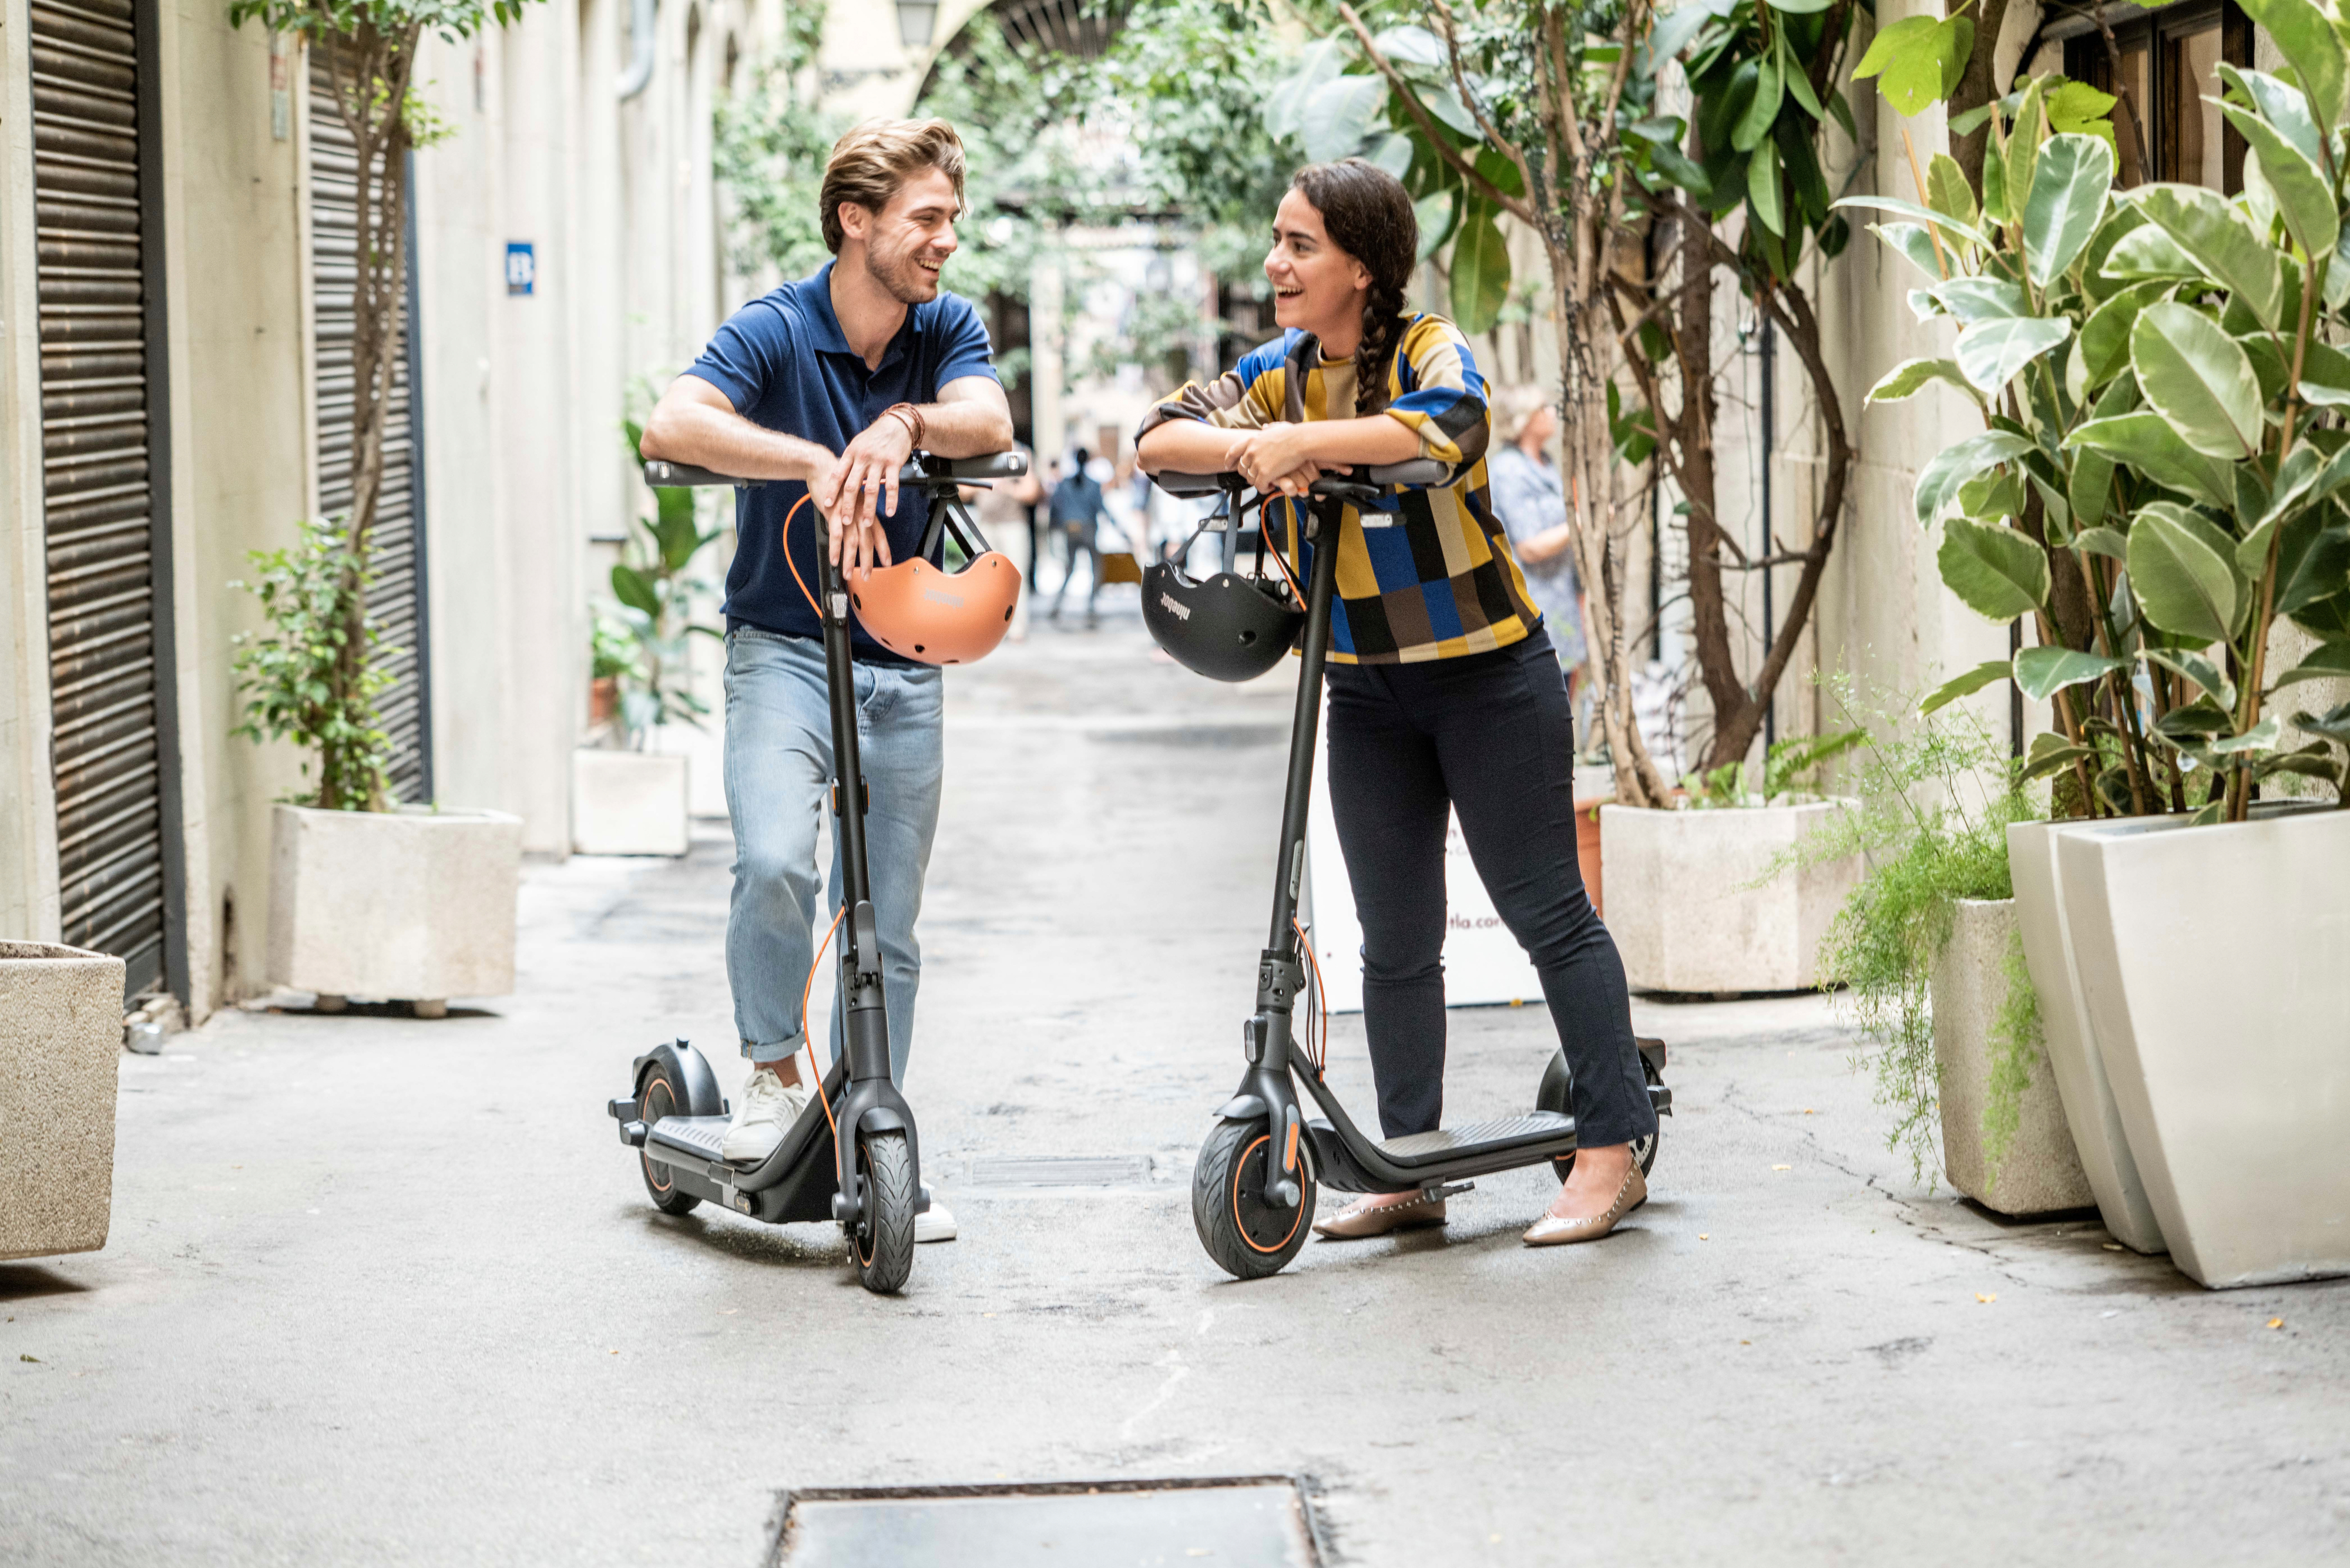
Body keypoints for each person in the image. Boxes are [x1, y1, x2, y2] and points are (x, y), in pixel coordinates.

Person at [1135, 158, 1658, 1247]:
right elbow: (1157, 441)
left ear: (1361, 268)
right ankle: (1409, 1163)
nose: (1276, 264)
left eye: (1300, 245)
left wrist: (1304, 446)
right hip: (1365, 690)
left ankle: (1609, 1152)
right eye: (1277, 242)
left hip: (1490, 678)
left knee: (1545, 912)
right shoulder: (1276, 373)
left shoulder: (1423, 347)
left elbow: (1448, 426)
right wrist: (1250, 446)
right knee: (1395, 936)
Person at [638, 118, 1014, 1245]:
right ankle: (768, 1071)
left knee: (885, 919)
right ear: (857, 222)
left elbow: (990, 418)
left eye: (952, 217)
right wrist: (809, 455)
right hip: (783, 646)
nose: (949, 239)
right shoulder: (777, 327)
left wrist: (899, 422)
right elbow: (675, 420)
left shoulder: (943, 326)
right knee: (769, 862)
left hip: (903, 654)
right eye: (927, 219)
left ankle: (874, 1116)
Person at [1485, 385, 1588, 703]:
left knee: (1565, 699)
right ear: (1526, 419)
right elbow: (1529, 547)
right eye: (1544, 407)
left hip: (1563, 602)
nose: (1552, 413)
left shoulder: (1547, 463)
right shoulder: (1509, 471)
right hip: (1531, 604)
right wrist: (1584, 522)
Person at [965, 439, 1041, 640]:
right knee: (982, 578)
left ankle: (1017, 629)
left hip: (1013, 525)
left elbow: (1032, 492)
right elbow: (962, 491)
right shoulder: (977, 452)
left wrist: (1006, 487)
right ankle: (987, 629)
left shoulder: (1019, 452)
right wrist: (985, 484)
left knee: (1016, 578)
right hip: (985, 526)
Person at [1046, 446, 1113, 626]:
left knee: (1070, 568)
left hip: (1070, 529)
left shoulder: (1064, 483)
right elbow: (1101, 508)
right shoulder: (1093, 484)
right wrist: (1117, 525)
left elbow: (1055, 507)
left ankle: (1057, 604)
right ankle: (1091, 604)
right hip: (1088, 529)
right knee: (1096, 567)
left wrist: (1053, 527)